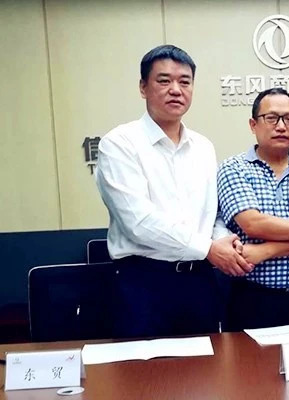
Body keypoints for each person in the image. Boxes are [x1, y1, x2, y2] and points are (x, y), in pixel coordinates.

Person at [96, 45, 252, 338]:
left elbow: (212, 213)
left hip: (200, 282)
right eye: (164, 81)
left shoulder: (203, 147)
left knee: (207, 364)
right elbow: (138, 223)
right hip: (144, 284)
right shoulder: (119, 144)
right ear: (143, 87)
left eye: (185, 81)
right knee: (143, 367)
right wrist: (209, 249)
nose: (176, 90)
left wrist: (222, 240)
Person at [217, 88, 289, 331]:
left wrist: (263, 252)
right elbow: (253, 224)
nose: (281, 126)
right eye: (271, 118)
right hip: (250, 298)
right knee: (246, 358)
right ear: (253, 124)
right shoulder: (233, 168)